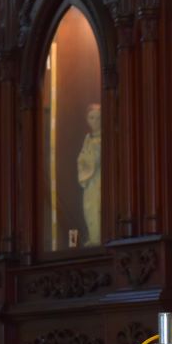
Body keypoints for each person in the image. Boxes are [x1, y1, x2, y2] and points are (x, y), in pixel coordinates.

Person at [76, 102, 101, 246]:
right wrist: (85, 162)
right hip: (89, 181)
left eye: (98, 118)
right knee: (89, 207)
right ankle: (94, 238)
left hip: (100, 179)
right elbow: (81, 159)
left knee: (98, 207)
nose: (95, 121)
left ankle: (98, 238)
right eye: (92, 118)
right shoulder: (87, 139)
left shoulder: (105, 138)